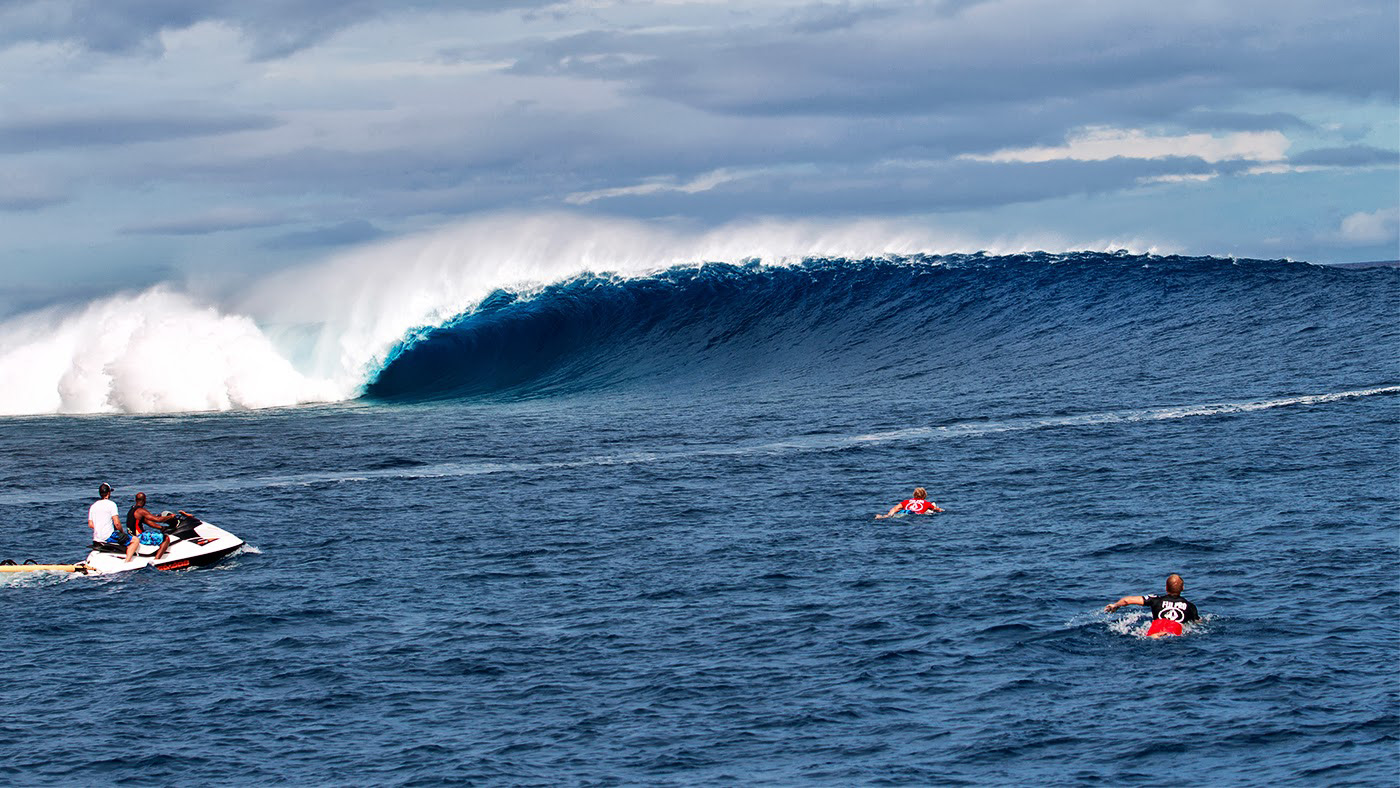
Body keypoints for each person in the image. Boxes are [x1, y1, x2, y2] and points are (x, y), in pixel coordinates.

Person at [1104, 573, 1201, 637]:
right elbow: (1197, 623)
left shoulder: (1155, 600)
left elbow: (1127, 600)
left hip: (1155, 628)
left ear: (1166, 587)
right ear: (1183, 588)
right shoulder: (1190, 606)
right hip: (1174, 631)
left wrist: (1115, 605)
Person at [126, 492, 191, 561]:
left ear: (136, 500)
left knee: (156, 534)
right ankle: (157, 560)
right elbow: (157, 519)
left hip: (131, 536)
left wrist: (161, 528)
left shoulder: (132, 509)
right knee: (166, 538)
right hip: (140, 537)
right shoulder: (141, 511)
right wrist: (170, 516)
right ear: (144, 500)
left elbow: (147, 522)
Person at [87, 482, 130, 555]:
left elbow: (90, 524)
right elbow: (117, 523)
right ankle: (128, 560)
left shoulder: (93, 506)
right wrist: (122, 533)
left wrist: (100, 526)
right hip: (108, 537)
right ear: (109, 493)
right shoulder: (111, 504)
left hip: (96, 538)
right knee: (134, 541)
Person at [875, 487, 944, 519]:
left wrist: (889, 514)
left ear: (914, 495)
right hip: (914, 514)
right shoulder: (927, 503)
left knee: (894, 516)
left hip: (904, 512)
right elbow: (938, 510)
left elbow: (895, 508)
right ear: (925, 495)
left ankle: (883, 516)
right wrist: (940, 509)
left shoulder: (906, 501)